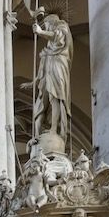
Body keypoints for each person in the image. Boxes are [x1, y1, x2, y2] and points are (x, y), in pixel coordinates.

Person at [30, 9, 73, 140]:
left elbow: (58, 36)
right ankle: (38, 134)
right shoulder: (49, 45)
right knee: (43, 100)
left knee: (56, 96)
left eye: (47, 24)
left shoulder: (62, 25)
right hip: (49, 70)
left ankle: (54, 129)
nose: (46, 27)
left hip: (58, 66)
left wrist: (40, 32)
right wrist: (35, 81)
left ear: (52, 21)